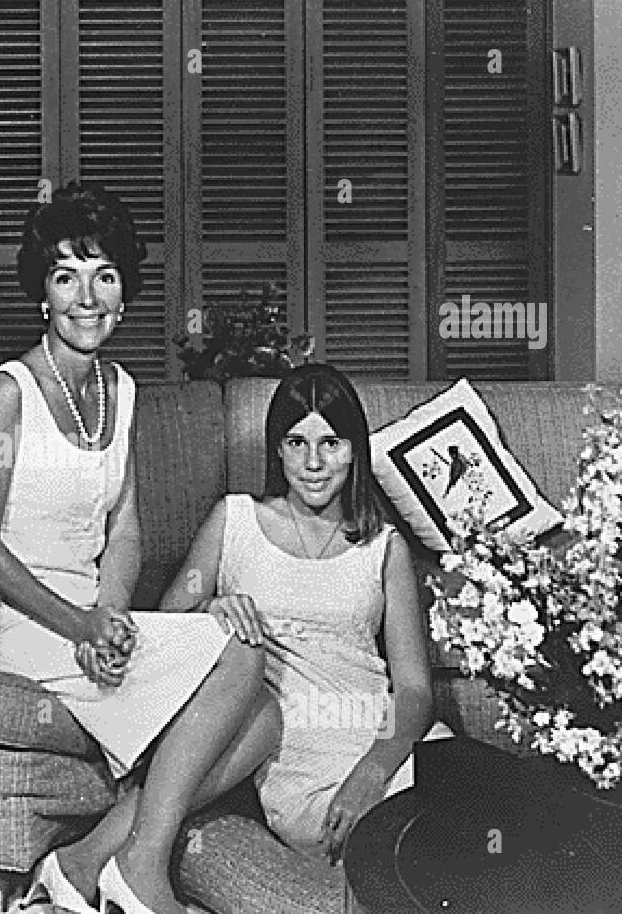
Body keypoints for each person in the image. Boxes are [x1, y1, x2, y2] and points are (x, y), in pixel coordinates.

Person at [0, 184, 284, 914]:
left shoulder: (123, 391)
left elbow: (127, 527)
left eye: (104, 275)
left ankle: (93, 858)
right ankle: (140, 866)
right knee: (240, 673)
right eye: (66, 274)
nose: (86, 296)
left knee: (265, 713)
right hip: (19, 618)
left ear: (124, 291)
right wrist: (78, 625)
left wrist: (109, 615)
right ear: (41, 289)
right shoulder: (10, 394)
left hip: (92, 614)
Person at [162, 362, 441, 861]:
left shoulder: (383, 546)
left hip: (390, 749)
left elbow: (415, 688)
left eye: (331, 443)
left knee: (506, 813)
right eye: (297, 442)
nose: (313, 462)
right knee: (424, 853)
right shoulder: (235, 520)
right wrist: (211, 606)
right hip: (306, 769)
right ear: (276, 449)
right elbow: (167, 625)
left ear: (355, 450)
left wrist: (372, 773)